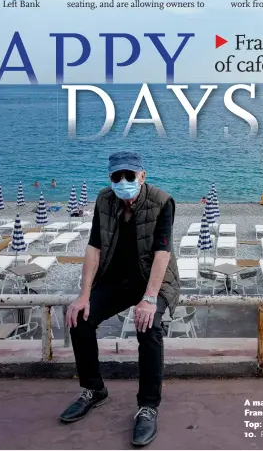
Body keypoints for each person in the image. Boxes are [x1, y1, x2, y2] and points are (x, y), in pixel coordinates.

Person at [60, 151, 180, 447]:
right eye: (117, 176)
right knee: (80, 319)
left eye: (130, 175)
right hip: (115, 280)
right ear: (110, 178)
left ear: (143, 175)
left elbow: (163, 253)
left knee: (149, 328)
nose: (123, 181)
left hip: (152, 279)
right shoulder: (104, 200)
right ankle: (94, 390)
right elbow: (93, 248)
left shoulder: (162, 201)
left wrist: (150, 298)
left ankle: (148, 406)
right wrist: (83, 295)